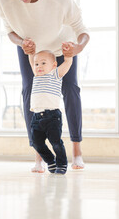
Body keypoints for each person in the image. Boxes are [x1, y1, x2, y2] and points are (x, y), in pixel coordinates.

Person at [0, 0, 90, 172]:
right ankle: (39, 156)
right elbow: (9, 31)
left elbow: (82, 30)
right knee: (29, 91)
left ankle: (77, 151)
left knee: (70, 89)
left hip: (63, 46)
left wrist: (77, 48)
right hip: (31, 50)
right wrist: (21, 42)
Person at [28, 46, 73, 174]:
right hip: (36, 117)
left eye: (43, 63)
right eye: (37, 64)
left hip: (52, 116)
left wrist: (68, 56)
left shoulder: (55, 74)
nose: (38, 66)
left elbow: (68, 63)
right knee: (37, 144)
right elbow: (31, 60)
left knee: (56, 143)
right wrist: (31, 53)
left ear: (53, 65)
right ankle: (50, 161)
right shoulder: (36, 75)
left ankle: (62, 164)